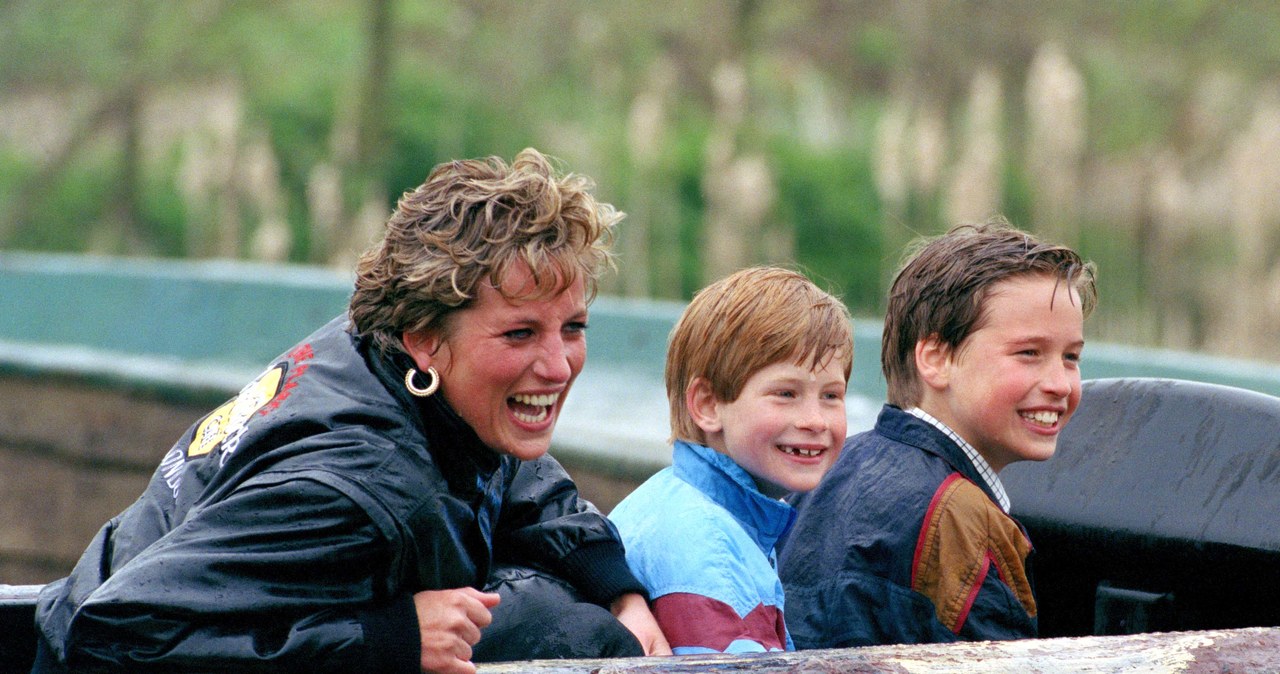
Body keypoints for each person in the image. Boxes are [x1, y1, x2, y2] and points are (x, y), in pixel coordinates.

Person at [32, 148, 670, 673]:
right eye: (520, 334)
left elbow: (512, 471)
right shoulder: (356, 487)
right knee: (568, 636)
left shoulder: (386, 358)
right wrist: (389, 639)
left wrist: (618, 588)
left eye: (574, 327)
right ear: (426, 338)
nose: (558, 366)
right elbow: (111, 635)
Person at [778, 219, 1097, 649]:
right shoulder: (966, 523)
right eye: (1029, 353)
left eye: (1071, 357)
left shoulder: (826, 472)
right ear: (936, 359)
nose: (1060, 383)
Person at [609, 266, 853, 655]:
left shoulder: (679, 500)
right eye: (786, 393)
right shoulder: (711, 556)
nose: (815, 421)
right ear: (707, 405)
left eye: (831, 396)